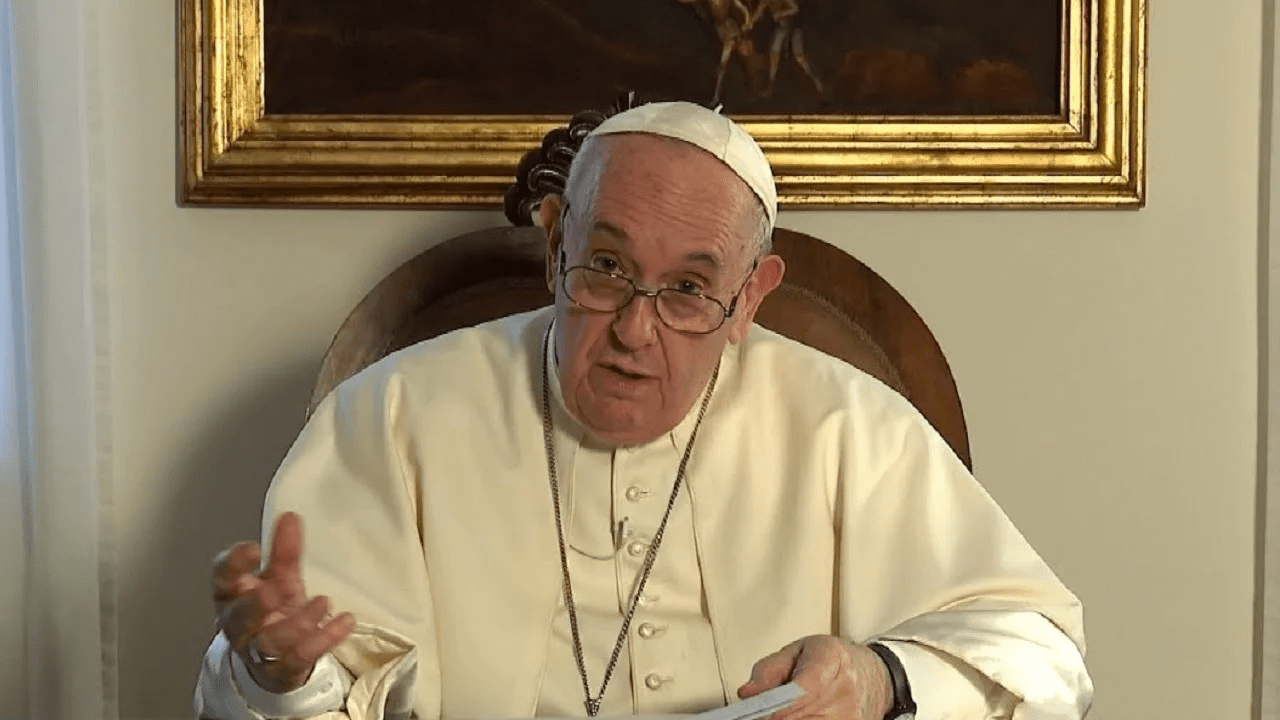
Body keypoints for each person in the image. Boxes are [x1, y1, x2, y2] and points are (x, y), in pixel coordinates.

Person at [194, 101, 1093, 720]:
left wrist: (880, 678)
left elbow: (1043, 654)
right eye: (608, 269)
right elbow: (307, 690)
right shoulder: (392, 417)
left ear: (749, 299)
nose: (634, 329)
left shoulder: (849, 429)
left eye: (690, 290)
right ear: (556, 245)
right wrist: (279, 674)